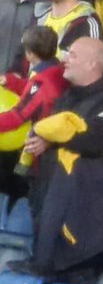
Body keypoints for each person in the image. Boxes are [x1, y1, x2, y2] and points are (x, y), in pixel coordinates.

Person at [26, 37, 103, 284]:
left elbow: (93, 142)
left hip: (89, 224)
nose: (65, 60)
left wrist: (53, 142)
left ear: (92, 64)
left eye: (72, 55)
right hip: (55, 206)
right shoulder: (69, 96)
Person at [0, 26, 66, 198]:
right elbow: (32, 93)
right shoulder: (57, 71)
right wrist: (10, 81)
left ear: (29, 54)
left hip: (40, 156)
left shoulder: (42, 82)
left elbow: (17, 117)